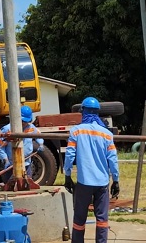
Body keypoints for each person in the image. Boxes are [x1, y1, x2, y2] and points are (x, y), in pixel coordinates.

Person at [63, 97, 120, 243]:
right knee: (102, 219)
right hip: (102, 183)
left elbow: (69, 155)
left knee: (79, 218)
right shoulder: (107, 134)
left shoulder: (76, 131)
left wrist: (67, 176)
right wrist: (116, 180)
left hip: (84, 182)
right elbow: (112, 159)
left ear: (83, 112)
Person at [0, 105, 45, 181]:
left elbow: (38, 135)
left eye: (26, 121)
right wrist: (5, 159)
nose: (24, 123)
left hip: (26, 163)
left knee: (27, 185)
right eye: (23, 121)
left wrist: (41, 143)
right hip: (11, 165)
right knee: (10, 187)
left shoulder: (31, 127)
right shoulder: (8, 129)